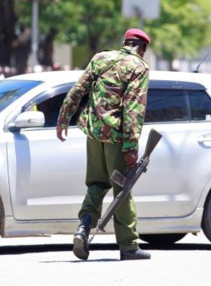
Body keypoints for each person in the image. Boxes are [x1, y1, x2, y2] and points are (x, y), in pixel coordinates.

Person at [56, 28, 152, 261]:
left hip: (94, 134)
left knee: (97, 184)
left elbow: (77, 90)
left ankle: (83, 227)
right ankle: (129, 246)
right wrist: (131, 146)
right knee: (122, 189)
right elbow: (133, 108)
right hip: (117, 139)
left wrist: (63, 119)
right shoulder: (139, 67)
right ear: (143, 48)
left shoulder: (101, 58)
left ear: (125, 42)